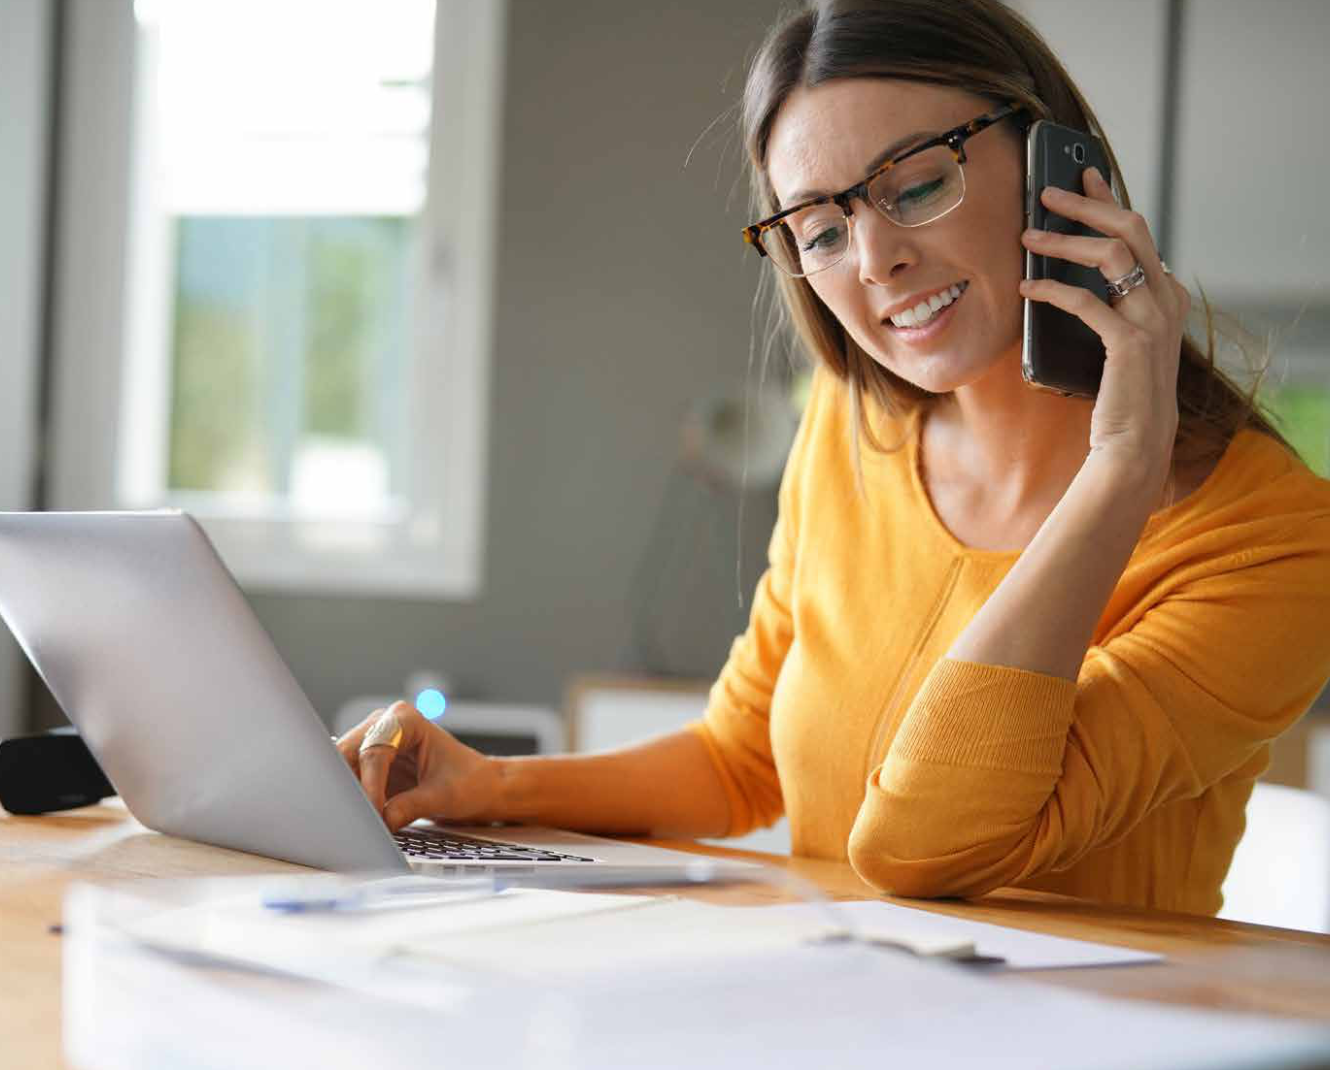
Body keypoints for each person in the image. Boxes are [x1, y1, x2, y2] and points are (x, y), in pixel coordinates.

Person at [336, 0, 1330, 915]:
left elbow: (922, 845)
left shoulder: (1279, 542)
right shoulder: (850, 424)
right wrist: (484, 786)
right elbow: (740, 756)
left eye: (917, 183)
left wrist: (1117, 466)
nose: (871, 260)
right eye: (816, 228)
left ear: (1061, 169)